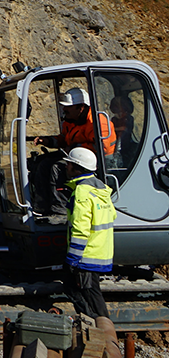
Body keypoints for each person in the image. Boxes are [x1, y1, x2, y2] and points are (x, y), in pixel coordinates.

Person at [63, 145, 115, 319]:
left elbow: (80, 229)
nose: (66, 166)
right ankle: (98, 326)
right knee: (89, 291)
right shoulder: (101, 190)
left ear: (77, 168)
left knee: (87, 293)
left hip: (86, 255)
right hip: (98, 252)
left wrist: (73, 259)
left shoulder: (82, 192)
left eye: (69, 164)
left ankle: (100, 328)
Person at [58, 88, 116, 157]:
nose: (64, 109)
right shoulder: (72, 121)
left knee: (55, 166)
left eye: (69, 106)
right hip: (80, 156)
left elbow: (102, 148)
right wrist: (48, 141)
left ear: (81, 107)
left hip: (101, 160)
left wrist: (75, 147)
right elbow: (65, 139)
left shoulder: (97, 123)